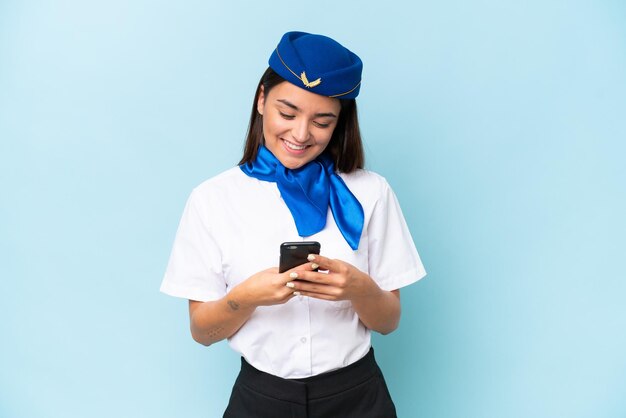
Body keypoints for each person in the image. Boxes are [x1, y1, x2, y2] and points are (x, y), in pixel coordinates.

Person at [160, 31, 426, 418]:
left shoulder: (372, 193)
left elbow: (388, 322)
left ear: (340, 123)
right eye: (287, 113)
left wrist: (358, 288)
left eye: (322, 121)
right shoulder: (211, 200)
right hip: (260, 398)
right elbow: (202, 333)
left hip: (358, 398)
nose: (301, 135)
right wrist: (248, 296)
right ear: (261, 100)